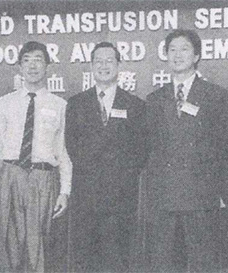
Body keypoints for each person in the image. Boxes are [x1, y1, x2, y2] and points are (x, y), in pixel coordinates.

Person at [145, 29, 228, 272]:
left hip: (200, 197)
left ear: (196, 56)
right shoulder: (154, 99)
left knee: (202, 263)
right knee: (164, 264)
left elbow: (225, 146)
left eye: (184, 49)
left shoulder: (215, 95)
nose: (177, 55)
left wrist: (216, 190)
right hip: (164, 199)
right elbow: (149, 149)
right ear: (165, 55)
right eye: (172, 49)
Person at [0, 41, 72, 272]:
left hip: (42, 179)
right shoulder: (5, 103)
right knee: (11, 247)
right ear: (19, 67)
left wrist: (65, 190)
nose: (32, 66)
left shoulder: (60, 105)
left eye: (38, 60)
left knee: (38, 247)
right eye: (27, 60)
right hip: (10, 176)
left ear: (47, 67)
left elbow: (63, 151)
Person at [65, 42, 147, 272]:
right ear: (91, 66)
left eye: (109, 61)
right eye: (98, 61)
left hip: (120, 199)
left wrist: (118, 178)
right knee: (85, 261)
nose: (104, 66)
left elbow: (140, 152)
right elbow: (72, 146)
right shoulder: (76, 103)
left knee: (117, 260)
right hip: (86, 198)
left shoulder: (135, 105)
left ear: (119, 65)